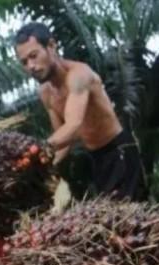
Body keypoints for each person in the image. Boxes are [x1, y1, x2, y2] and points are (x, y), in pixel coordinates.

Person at [14, 22, 146, 201]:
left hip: (118, 150)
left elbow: (73, 126)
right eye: (24, 62)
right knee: (108, 218)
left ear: (51, 46)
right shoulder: (46, 92)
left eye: (34, 56)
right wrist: (42, 167)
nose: (31, 66)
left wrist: (35, 151)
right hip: (96, 157)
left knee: (129, 216)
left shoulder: (79, 75)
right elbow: (63, 141)